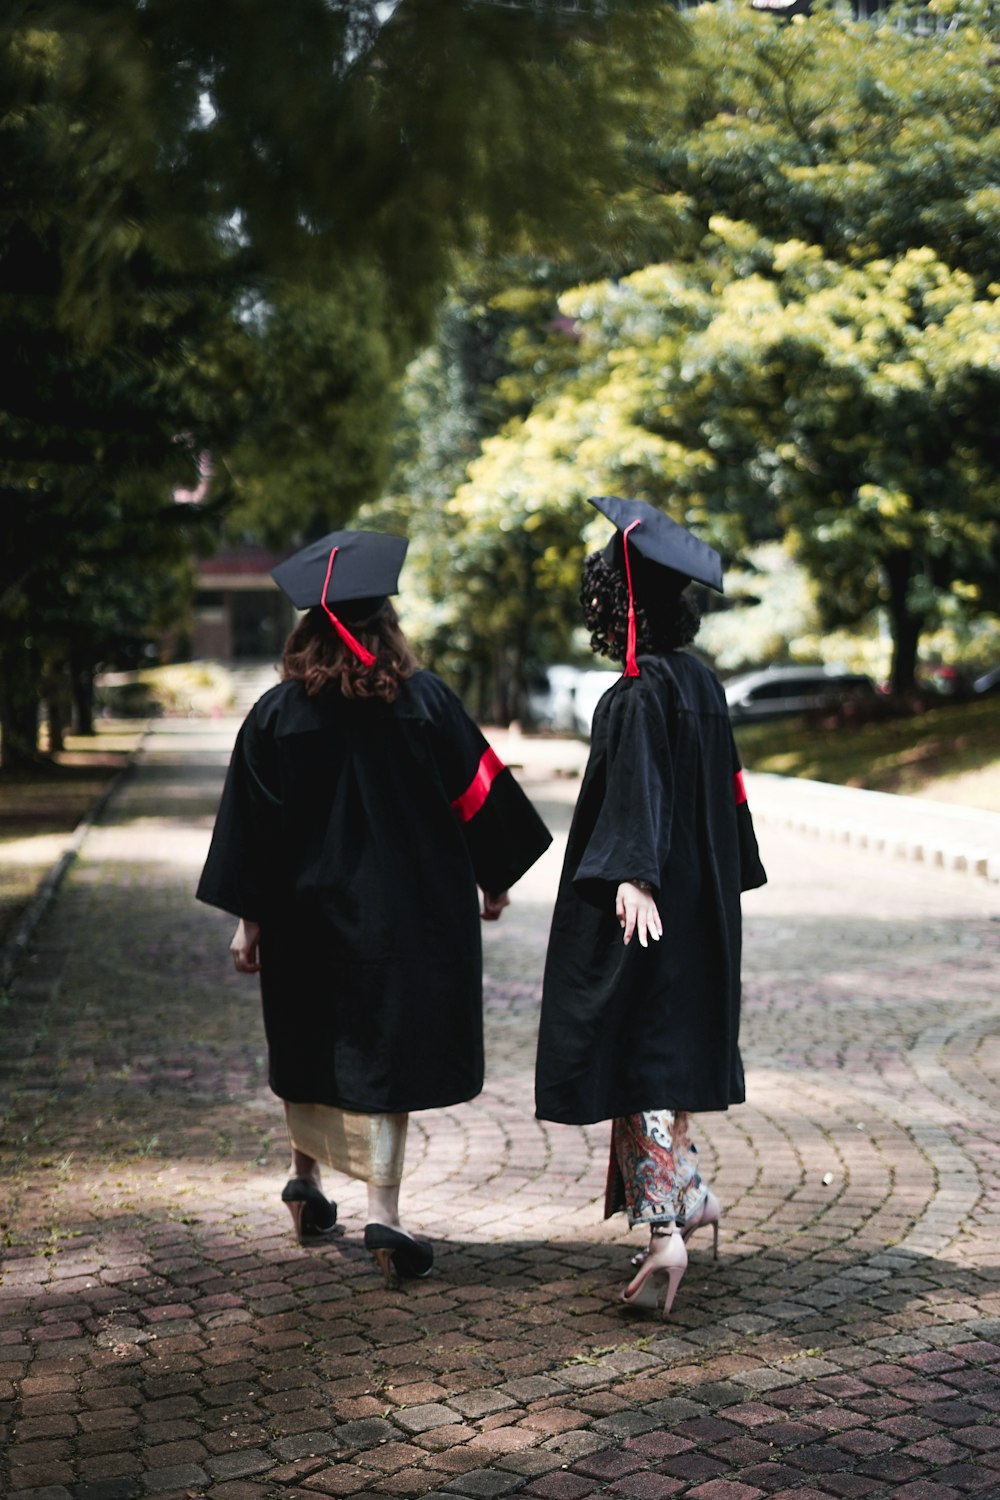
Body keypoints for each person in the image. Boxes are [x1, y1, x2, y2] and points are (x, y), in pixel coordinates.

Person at [197, 529, 551, 1285]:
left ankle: (306, 1185)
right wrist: (493, 877)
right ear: (386, 625)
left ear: (307, 630)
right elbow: (477, 792)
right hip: (405, 920)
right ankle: (384, 1215)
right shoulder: (424, 702)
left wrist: (249, 918)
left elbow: (249, 832)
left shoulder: (275, 715)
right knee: (386, 1053)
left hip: (304, 919)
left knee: (309, 1039)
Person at [534, 496, 767, 1317]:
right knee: (669, 1055)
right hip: (700, 903)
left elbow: (638, 796)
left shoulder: (636, 694)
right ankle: (692, 1193)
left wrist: (632, 874)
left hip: (650, 907)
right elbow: (728, 797)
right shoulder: (702, 683)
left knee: (635, 1055)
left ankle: (666, 1231)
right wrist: (721, 880)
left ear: (616, 602)